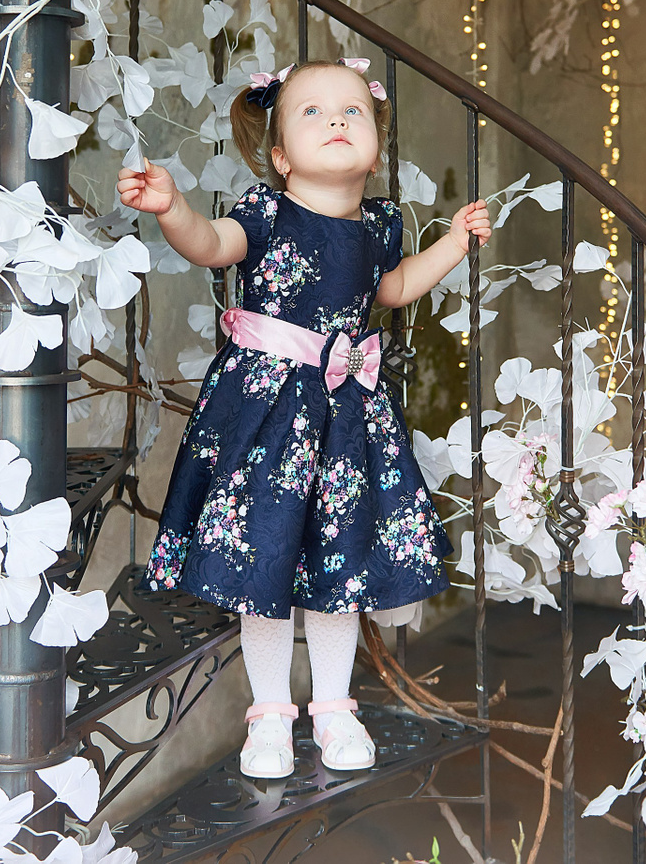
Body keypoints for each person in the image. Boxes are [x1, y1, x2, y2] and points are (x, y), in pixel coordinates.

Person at [117, 57, 492, 779]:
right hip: (267, 416)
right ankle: (269, 717)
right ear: (282, 156)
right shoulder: (265, 213)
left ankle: (333, 708)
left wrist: (453, 242)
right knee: (263, 558)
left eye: (353, 110)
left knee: (338, 563)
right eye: (312, 111)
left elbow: (392, 288)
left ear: (375, 147)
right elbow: (210, 244)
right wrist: (172, 209)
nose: (336, 120)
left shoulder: (379, 225)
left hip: (347, 420)